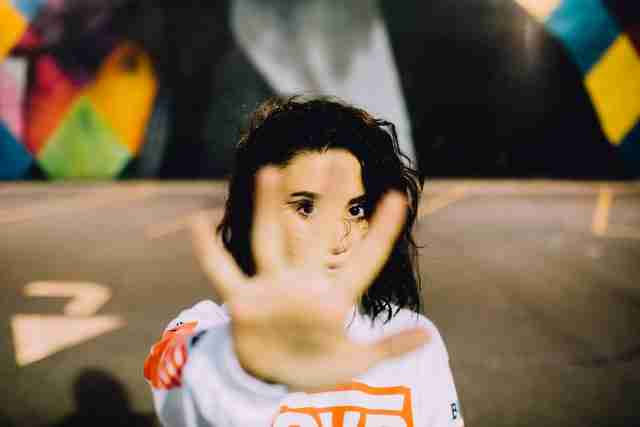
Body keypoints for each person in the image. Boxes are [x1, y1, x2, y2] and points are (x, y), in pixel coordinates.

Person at [143, 95, 464, 427]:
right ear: (255, 211)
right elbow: (178, 393)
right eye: (306, 207)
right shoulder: (205, 330)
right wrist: (246, 369)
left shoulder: (412, 338)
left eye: (356, 209)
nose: (338, 236)